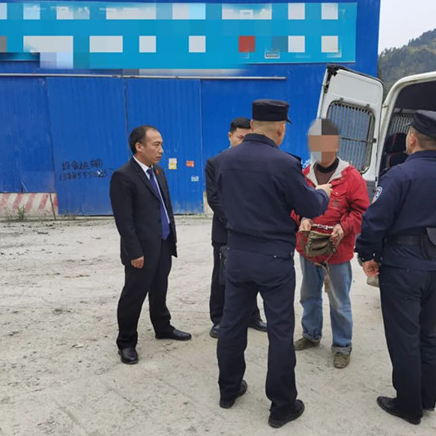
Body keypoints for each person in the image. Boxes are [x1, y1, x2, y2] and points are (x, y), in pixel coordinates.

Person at [215, 99, 332, 428]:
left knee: (232, 324)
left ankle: (228, 390)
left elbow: (222, 202)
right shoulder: (285, 164)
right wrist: (322, 192)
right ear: (281, 129)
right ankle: (281, 406)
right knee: (280, 332)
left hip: (237, 254)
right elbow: (310, 206)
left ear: (252, 126)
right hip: (274, 258)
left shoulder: (224, 160)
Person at [354, 110, 436, 425]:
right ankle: (426, 398)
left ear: (411, 138)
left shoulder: (398, 175)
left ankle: (408, 405)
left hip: (400, 266)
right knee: (426, 333)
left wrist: (367, 255)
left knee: (404, 335)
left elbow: (375, 221)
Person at [109, 125, 191, 365]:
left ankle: (162, 326)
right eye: (156, 145)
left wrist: (171, 238)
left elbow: (164, 207)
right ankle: (126, 342)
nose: (161, 150)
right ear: (139, 146)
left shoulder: (158, 171)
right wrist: (134, 252)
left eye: (161, 144)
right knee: (133, 296)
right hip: (141, 251)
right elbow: (124, 221)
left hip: (163, 243)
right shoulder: (123, 176)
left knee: (160, 289)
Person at [292, 118, 369, 369]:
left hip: (337, 251)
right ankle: (311, 334)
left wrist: (343, 227)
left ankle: (342, 346)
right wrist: (302, 218)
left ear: (336, 145)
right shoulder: (305, 175)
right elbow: (293, 205)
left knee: (339, 300)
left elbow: (361, 211)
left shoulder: (351, 176)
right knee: (308, 295)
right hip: (308, 248)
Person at [205, 117, 267, 338]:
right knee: (222, 276)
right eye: (240, 138)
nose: (243, 142)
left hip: (252, 231)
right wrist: (235, 222)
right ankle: (219, 319)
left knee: (251, 275)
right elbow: (214, 198)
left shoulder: (256, 163)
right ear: (230, 136)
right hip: (226, 231)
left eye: (247, 138)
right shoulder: (215, 163)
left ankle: (252, 315)